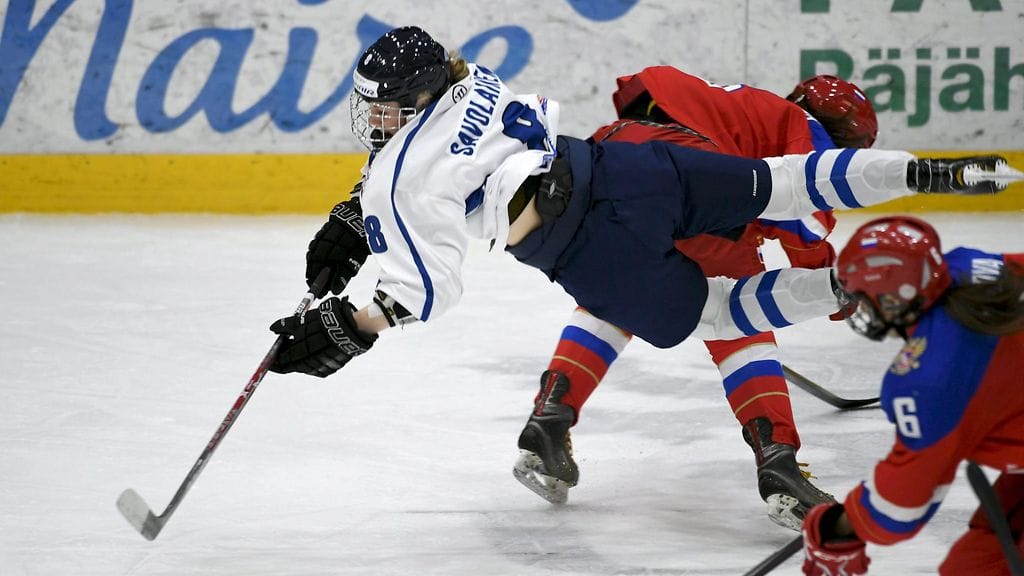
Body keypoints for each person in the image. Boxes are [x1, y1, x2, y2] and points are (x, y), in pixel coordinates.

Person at [266, 24, 1014, 470]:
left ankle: (559, 409)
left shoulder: (396, 180)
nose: (372, 120)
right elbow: (440, 164)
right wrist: (356, 218)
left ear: (419, 96)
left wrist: (348, 319)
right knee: (777, 199)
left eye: (383, 107)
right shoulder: (475, 82)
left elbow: (424, 281)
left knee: (704, 313)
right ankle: (927, 173)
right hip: (630, 171)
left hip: (602, 211)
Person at [512, 67, 879, 532]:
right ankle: (779, 463)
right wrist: (830, 284)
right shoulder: (805, 130)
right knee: (741, 325)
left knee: (618, 297)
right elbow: (803, 218)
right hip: (685, 178)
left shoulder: (747, 107)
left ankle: (550, 418)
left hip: (610, 159)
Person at [800, 216, 1024, 575]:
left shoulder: (930, 377)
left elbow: (900, 507)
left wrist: (838, 529)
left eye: (862, 297)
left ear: (894, 298)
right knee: (975, 565)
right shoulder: (967, 266)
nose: (859, 308)